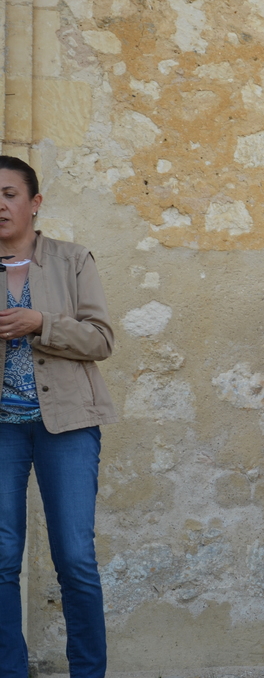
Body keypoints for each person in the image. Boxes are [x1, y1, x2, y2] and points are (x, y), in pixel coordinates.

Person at [0, 155, 117, 678]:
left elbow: (101, 340)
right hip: (2, 430)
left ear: (34, 203)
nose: (0, 205)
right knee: (1, 559)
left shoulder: (72, 260)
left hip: (66, 426)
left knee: (75, 559)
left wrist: (41, 322)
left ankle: (87, 672)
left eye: (9, 194)